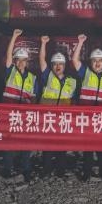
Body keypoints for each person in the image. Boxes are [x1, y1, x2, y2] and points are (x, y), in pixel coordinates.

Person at [72, 34, 102, 180]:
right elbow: (74, 60)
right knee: (88, 148)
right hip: (87, 117)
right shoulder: (85, 72)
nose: (97, 63)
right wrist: (80, 43)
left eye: (100, 61)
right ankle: (86, 174)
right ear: (91, 62)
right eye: (94, 61)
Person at [37, 36, 76, 176]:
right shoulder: (47, 76)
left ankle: (61, 169)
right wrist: (43, 44)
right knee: (48, 145)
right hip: (48, 117)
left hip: (64, 118)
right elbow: (41, 60)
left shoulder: (72, 81)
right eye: (55, 64)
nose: (57, 66)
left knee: (62, 145)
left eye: (60, 64)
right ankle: (46, 169)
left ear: (64, 66)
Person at [2, 29, 37, 178]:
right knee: (10, 141)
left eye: (24, 60)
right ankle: (7, 168)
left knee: (26, 141)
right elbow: (8, 57)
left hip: (25, 114)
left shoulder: (32, 78)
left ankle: (25, 168)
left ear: (27, 62)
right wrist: (14, 37)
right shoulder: (11, 72)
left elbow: (34, 97)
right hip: (10, 113)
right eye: (19, 60)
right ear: (15, 61)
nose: (21, 63)